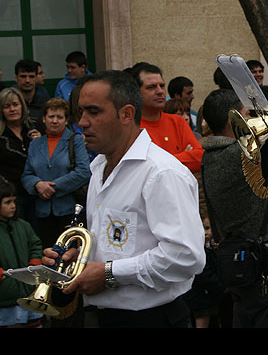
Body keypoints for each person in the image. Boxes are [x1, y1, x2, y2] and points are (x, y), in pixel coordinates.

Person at [41, 70, 206, 328]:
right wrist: (76, 260)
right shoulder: (98, 167)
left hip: (151, 319)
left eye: (93, 112)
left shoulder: (161, 173)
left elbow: (185, 257)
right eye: (81, 112)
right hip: (105, 315)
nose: (82, 122)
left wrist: (108, 273)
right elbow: (115, 245)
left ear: (127, 114)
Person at [200, 89, 268, 328]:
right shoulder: (242, 153)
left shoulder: (210, 155)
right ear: (235, 120)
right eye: (248, 114)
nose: (253, 118)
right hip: (263, 262)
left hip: (238, 261)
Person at [21, 97, 91, 249]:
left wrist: (52, 187)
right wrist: (37, 184)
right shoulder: (35, 144)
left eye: (60, 117)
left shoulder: (75, 140)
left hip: (69, 210)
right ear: (44, 119)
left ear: (66, 121)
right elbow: (26, 174)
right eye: (51, 116)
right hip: (42, 212)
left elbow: (84, 171)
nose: (55, 121)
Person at [129, 63, 204, 173]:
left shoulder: (178, 122)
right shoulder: (130, 127)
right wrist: (183, 156)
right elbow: (140, 170)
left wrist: (159, 163)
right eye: (151, 87)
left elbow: (199, 159)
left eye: (162, 86)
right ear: (136, 92)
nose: (160, 91)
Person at [0, 176, 44, 328]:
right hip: (4, 294)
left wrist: (36, 261)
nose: (13, 206)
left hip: (28, 289)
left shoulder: (23, 225)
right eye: (7, 202)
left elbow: (35, 244)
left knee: (33, 323)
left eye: (14, 201)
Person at [0, 88, 42, 228]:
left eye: (15, 105)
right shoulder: (1, 135)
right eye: (7, 106)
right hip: (13, 197)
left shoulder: (34, 128)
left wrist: (41, 143)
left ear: (22, 106)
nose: (12, 109)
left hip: (38, 194)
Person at [14, 59, 49, 133]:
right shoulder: (10, 102)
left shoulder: (45, 101)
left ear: (36, 78)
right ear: (16, 78)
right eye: (23, 76)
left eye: (31, 76)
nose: (27, 80)